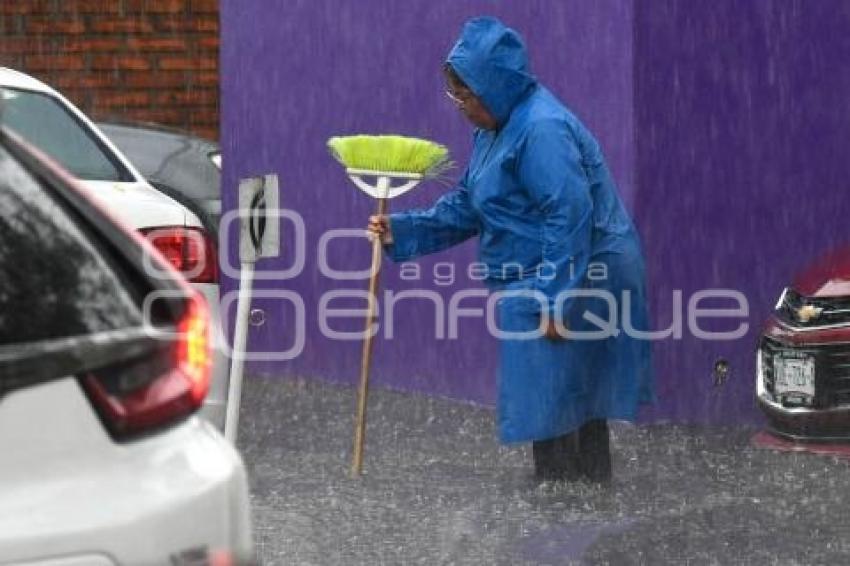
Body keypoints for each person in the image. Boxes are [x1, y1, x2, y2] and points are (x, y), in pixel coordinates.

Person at [367, 16, 654, 483]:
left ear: (495, 84)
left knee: (559, 398)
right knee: (558, 396)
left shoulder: (541, 130)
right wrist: (402, 229)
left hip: (584, 271)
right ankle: (576, 508)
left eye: (465, 94)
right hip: (547, 270)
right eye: (454, 95)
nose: (459, 106)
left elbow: (569, 211)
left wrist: (556, 297)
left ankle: (567, 510)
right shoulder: (494, 128)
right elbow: (470, 204)